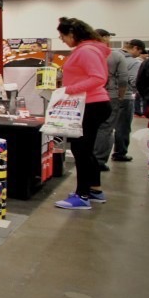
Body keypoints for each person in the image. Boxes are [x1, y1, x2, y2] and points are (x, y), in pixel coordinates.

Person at [54, 17, 112, 210]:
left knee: (81, 150)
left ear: (72, 34)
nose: (62, 40)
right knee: (85, 149)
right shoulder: (88, 49)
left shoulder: (87, 51)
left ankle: (82, 195)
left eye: (63, 36)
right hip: (91, 104)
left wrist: (70, 90)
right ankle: (94, 189)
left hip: (91, 104)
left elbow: (98, 78)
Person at [92, 29, 130, 170]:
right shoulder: (115, 55)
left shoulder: (88, 54)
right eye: (108, 36)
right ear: (102, 38)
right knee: (106, 128)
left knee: (91, 128)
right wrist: (121, 95)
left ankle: (90, 156)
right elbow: (123, 78)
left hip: (91, 95)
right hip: (110, 95)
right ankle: (99, 160)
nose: (109, 39)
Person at [123, 39, 147, 117]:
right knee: (123, 127)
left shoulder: (111, 56)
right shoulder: (134, 62)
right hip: (125, 96)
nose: (138, 55)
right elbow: (135, 81)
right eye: (140, 52)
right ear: (135, 48)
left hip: (107, 95)